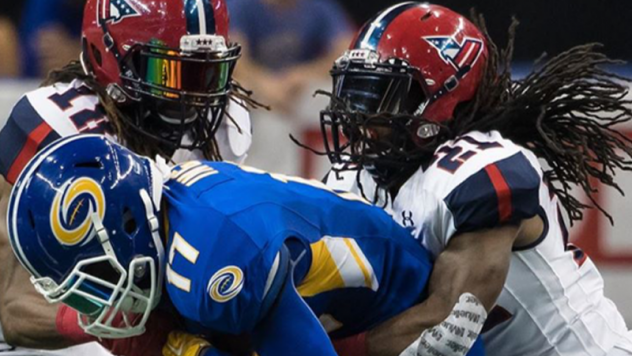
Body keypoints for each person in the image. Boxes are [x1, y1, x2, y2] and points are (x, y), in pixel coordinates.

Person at [307, 3, 632, 356]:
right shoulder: (354, 180)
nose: (360, 118)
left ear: (440, 97)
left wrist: (319, 348)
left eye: (380, 97)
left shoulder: (477, 170)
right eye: (356, 95)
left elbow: (446, 334)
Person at [6, 134, 487, 356]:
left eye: (98, 281)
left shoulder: (211, 251)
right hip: (320, 318)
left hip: (411, 330)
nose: (98, 304)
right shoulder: (170, 225)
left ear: (129, 225)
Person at [0, 0, 258, 354]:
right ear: (107, 54)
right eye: (169, 74)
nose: (194, 98)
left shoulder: (226, 125)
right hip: (52, 333)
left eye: (207, 73)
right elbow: (14, 311)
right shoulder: (63, 132)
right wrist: (135, 327)